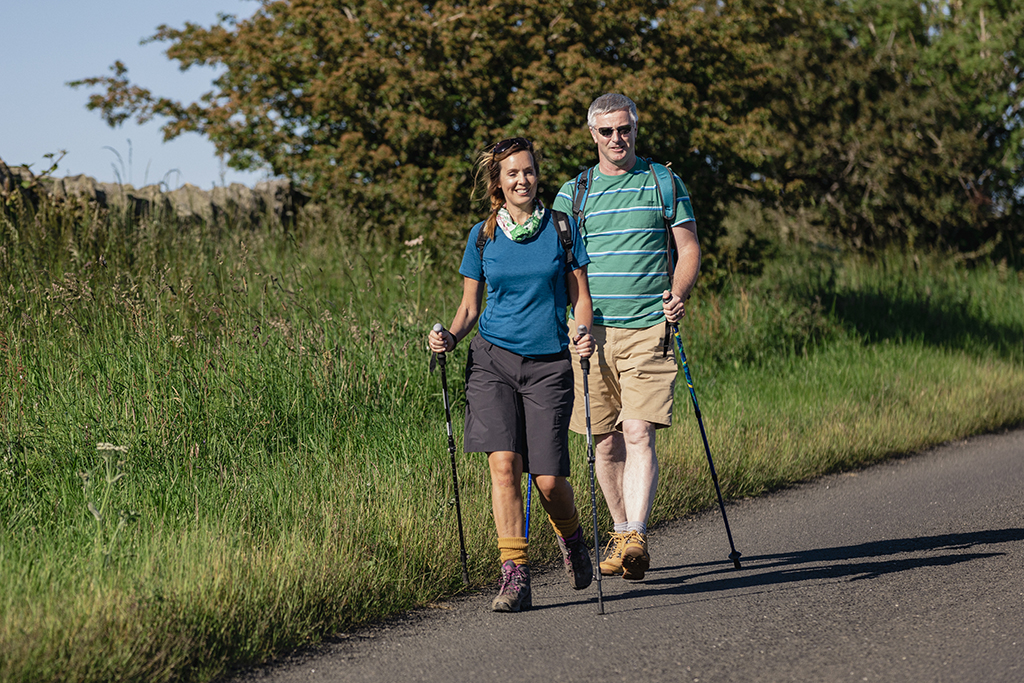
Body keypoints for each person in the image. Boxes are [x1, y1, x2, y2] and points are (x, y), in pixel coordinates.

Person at [428, 137, 596, 612]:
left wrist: (581, 331)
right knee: (504, 466)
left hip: (548, 365)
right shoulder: (482, 236)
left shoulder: (561, 229)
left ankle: (571, 538)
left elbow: (579, 295)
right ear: (497, 184)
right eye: (512, 174)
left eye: (529, 171)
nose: (523, 180)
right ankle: (515, 576)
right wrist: (449, 337)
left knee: (547, 480)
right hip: (492, 361)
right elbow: (468, 308)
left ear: (537, 175)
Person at [552, 93, 701, 581]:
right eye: (607, 131)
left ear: (635, 129)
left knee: (638, 432)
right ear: (592, 135)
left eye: (625, 129)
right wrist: (569, 325)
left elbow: (688, 248)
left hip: (647, 329)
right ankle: (620, 535)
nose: (618, 138)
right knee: (604, 443)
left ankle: (635, 533)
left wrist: (678, 293)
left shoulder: (663, 181)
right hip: (591, 334)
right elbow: (558, 269)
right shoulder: (572, 194)